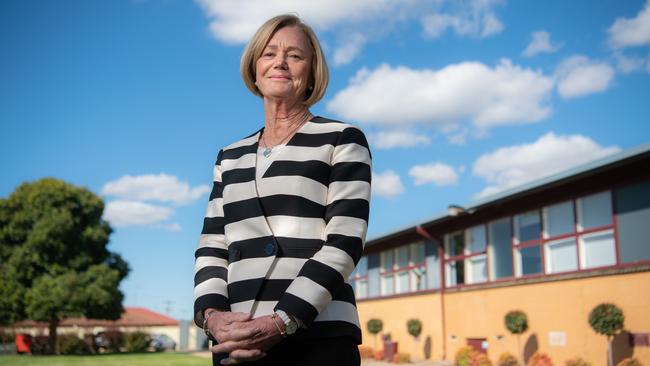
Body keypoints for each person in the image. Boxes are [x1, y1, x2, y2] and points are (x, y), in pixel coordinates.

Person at [193, 14, 372, 366]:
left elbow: (346, 241)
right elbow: (212, 246)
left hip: (318, 336)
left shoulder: (341, 139)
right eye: (269, 53)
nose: (280, 62)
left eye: (295, 55)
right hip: (237, 340)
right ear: (254, 68)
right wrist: (212, 316)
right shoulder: (229, 156)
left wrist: (283, 320)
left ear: (312, 70)